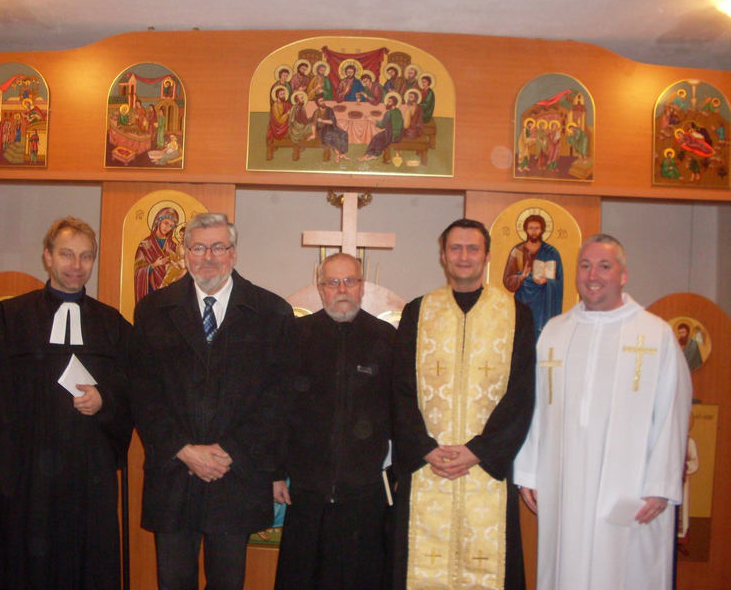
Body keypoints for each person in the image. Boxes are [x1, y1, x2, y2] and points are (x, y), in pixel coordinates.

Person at [0, 217, 133, 590]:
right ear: (47, 257)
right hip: (23, 478)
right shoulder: (9, 318)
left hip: (87, 478)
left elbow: (136, 388)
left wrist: (105, 400)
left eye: (86, 256)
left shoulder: (112, 326)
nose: (76, 265)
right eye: (66, 254)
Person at [514, 234, 692, 590]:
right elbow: (537, 408)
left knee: (626, 573)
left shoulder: (655, 334)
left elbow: (673, 413)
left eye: (604, 266)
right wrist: (529, 471)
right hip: (565, 484)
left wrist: (661, 485)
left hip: (632, 489)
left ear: (623, 275)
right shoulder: (555, 332)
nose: (592, 275)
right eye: (585, 266)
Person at [128, 213, 294, 590]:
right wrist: (184, 450)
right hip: (175, 473)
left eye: (218, 247)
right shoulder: (153, 310)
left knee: (228, 582)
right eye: (199, 248)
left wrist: (228, 451)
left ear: (233, 253)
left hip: (236, 474)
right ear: (185, 254)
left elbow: (279, 396)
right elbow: (142, 391)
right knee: (173, 581)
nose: (208, 257)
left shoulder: (271, 312)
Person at [391, 218, 536, 590]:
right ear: (443, 256)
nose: (464, 256)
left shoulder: (516, 313)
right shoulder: (418, 311)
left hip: (485, 468)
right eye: (455, 248)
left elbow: (521, 394)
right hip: (427, 467)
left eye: (473, 248)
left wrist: (480, 451)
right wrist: (423, 447)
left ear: (487, 256)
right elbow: (399, 388)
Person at [274, 252, 396, 590]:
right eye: (333, 282)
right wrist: (275, 472)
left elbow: (400, 409)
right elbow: (277, 409)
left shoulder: (385, 337)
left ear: (362, 286)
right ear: (320, 288)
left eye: (349, 281)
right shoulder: (295, 335)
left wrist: (398, 475)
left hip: (365, 491)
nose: (342, 289)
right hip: (306, 491)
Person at [502, 214, 563, 338]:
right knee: (523, 335)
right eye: (531, 228)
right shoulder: (517, 251)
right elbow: (507, 280)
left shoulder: (551, 252)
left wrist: (547, 281)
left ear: (542, 230)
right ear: (525, 229)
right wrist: (521, 277)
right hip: (523, 301)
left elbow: (559, 281)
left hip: (544, 303)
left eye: (537, 228)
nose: (534, 232)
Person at [133, 206, 180, 302]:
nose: (167, 228)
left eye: (171, 226)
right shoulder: (145, 245)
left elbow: (179, 270)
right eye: (166, 223)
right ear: (158, 221)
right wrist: (155, 265)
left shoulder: (173, 246)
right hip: (151, 290)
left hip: (169, 291)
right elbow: (138, 272)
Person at [359, 93, 404, 161]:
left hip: (392, 135)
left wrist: (371, 119)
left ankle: (371, 155)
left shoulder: (389, 113)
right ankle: (370, 155)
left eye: (389, 102)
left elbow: (381, 125)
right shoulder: (398, 111)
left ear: (394, 103)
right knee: (377, 137)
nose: (387, 103)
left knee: (377, 138)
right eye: (388, 101)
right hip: (397, 134)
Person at [313, 96, 349, 162]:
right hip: (322, 130)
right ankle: (338, 154)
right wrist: (313, 134)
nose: (323, 102)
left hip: (332, 127)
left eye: (323, 100)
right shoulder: (316, 112)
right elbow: (313, 124)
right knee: (334, 135)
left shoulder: (329, 109)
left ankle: (342, 153)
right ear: (318, 104)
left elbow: (333, 121)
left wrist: (341, 128)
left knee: (344, 133)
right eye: (320, 101)